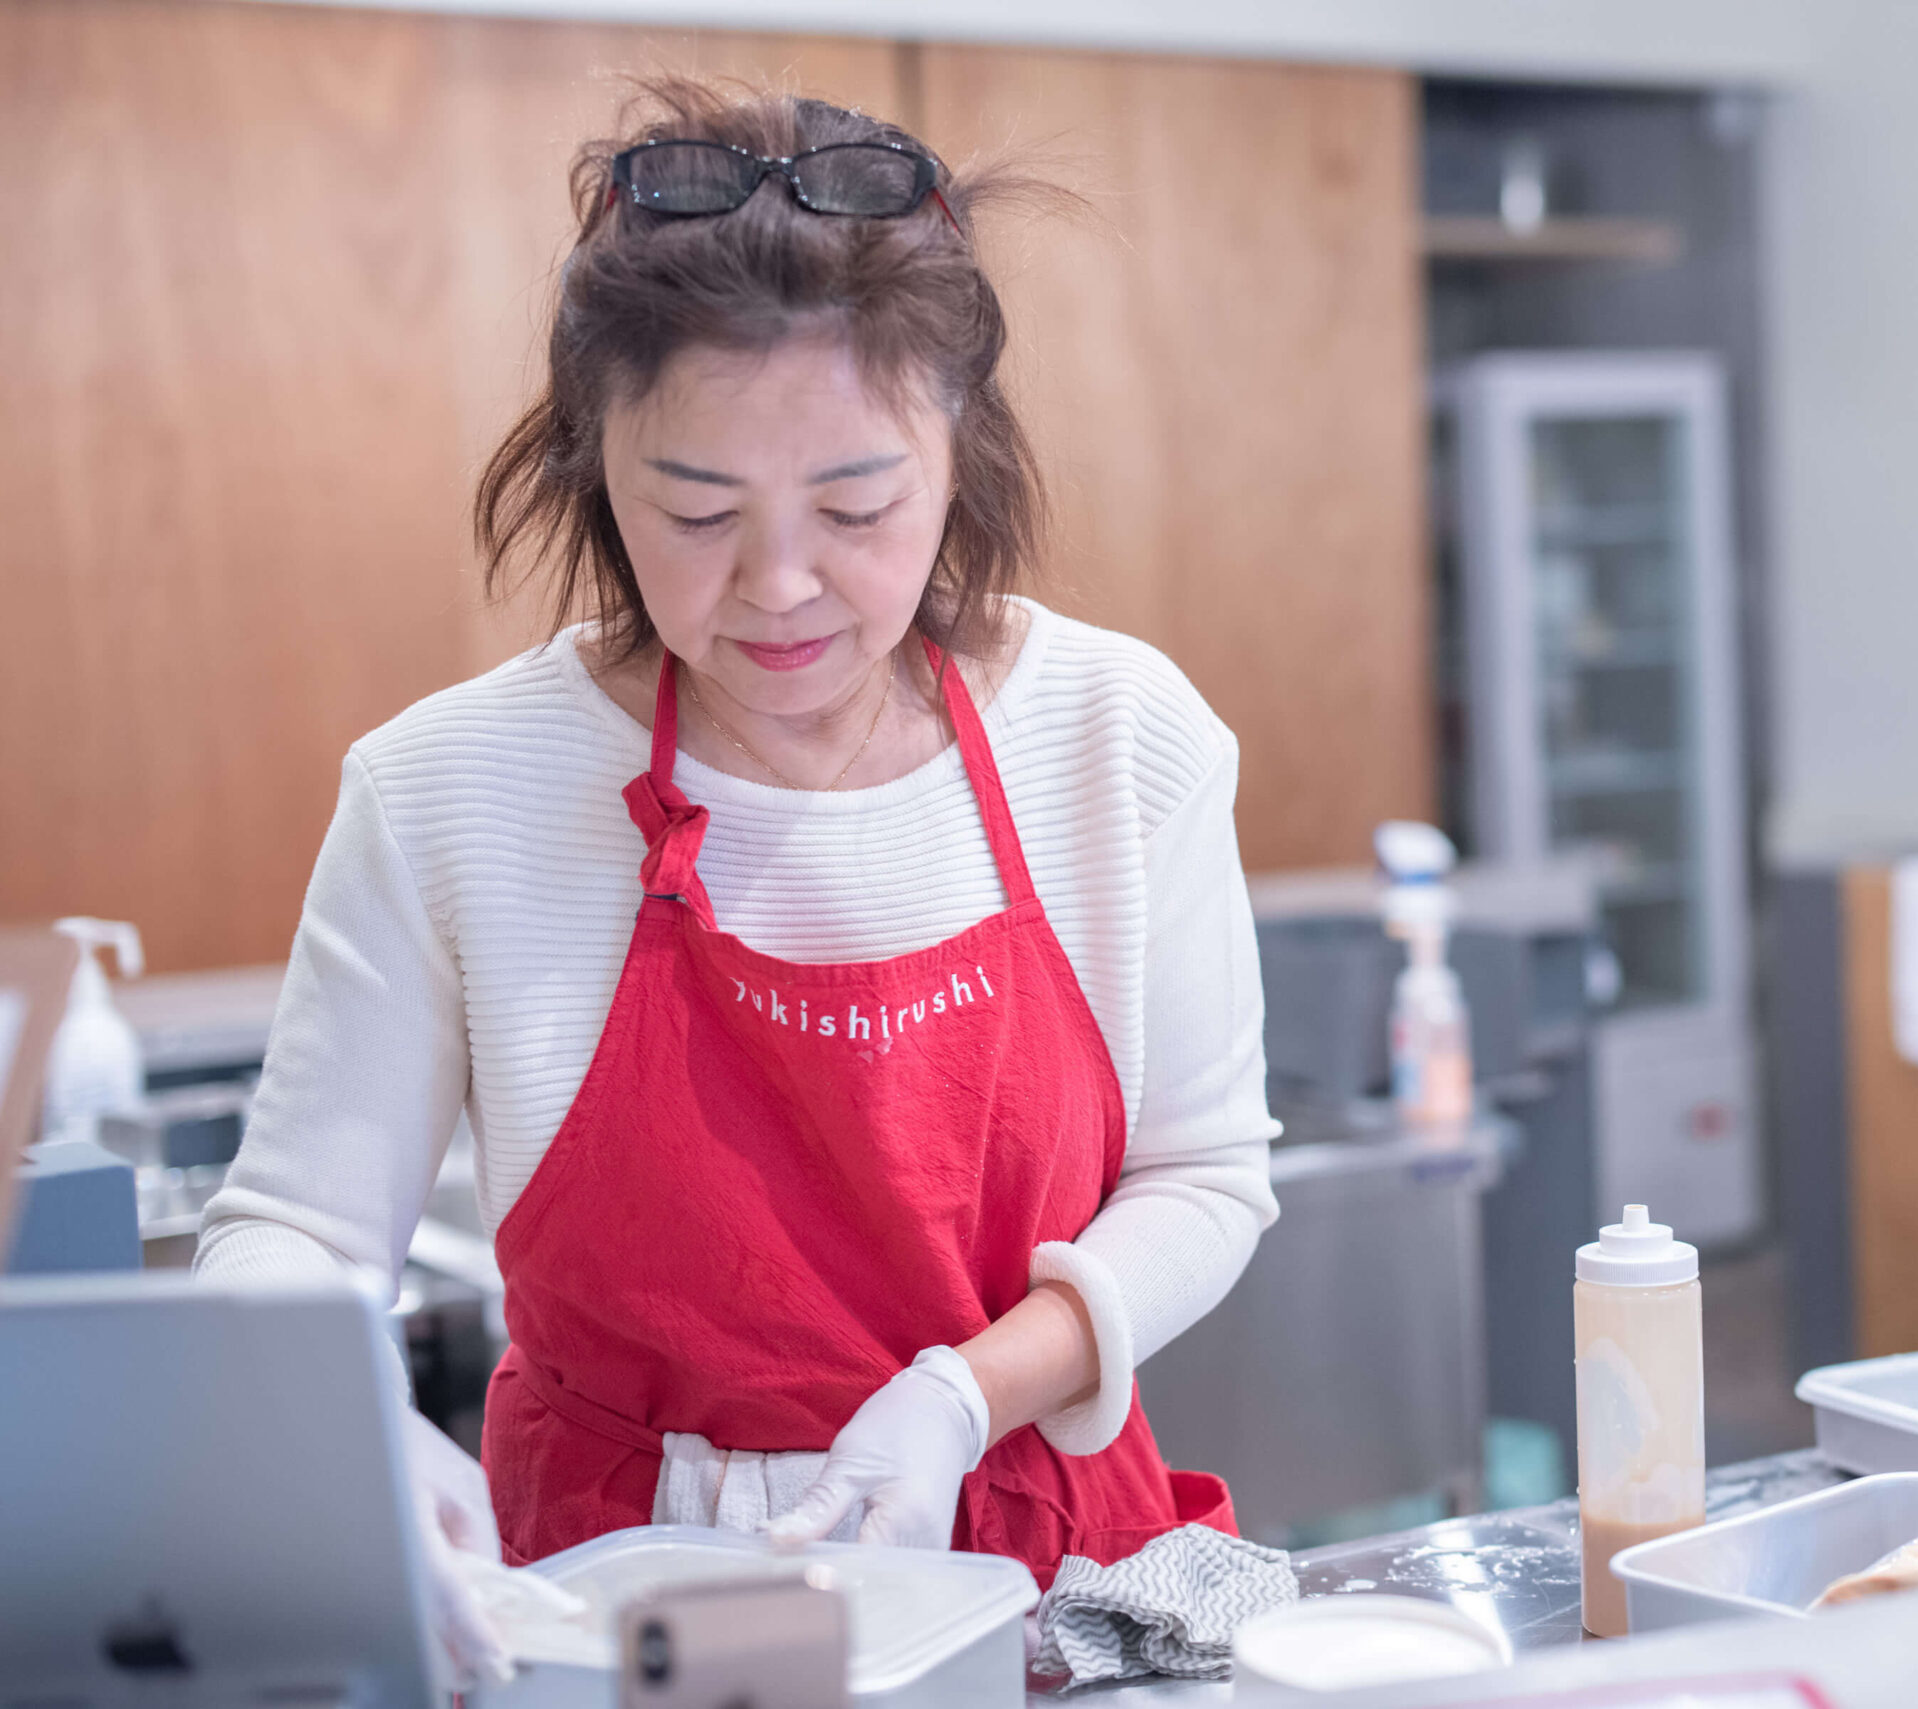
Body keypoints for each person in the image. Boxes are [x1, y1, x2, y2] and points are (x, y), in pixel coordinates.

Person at [195, 78, 1278, 1668]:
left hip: (1035, 1573)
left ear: (957, 442)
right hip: (613, 1604)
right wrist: (336, 1419)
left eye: (857, 504)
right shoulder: (445, 789)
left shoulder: (1119, 737)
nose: (779, 586)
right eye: (693, 507)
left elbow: (1207, 1176)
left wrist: (960, 1393)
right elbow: (287, 1227)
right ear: (593, 462)